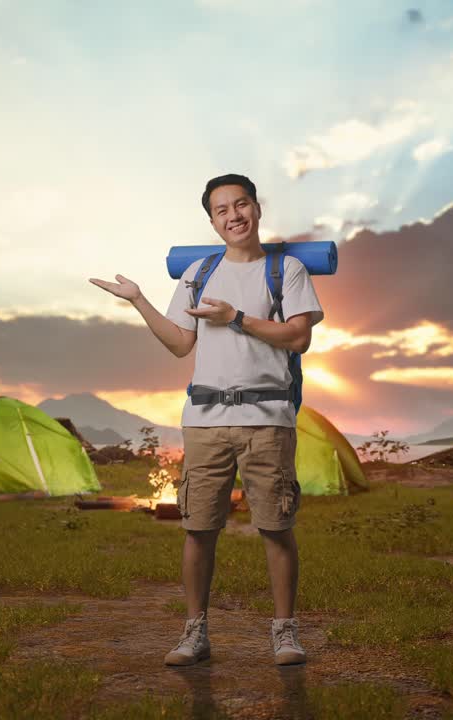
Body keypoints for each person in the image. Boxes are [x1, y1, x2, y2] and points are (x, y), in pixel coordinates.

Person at [89, 173, 324, 667]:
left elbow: (298, 338)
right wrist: (137, 299)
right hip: (204, 419)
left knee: (276, 527)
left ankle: (285, 632)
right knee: (198, 528)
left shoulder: (287, 270)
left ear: (257, 209)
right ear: (212, 221)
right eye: (222, 210)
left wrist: (236, 317)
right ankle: (195, 632)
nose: (233, 215)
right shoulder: (198, 271)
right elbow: (179, 343)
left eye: (241, 205)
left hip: (268, 417)